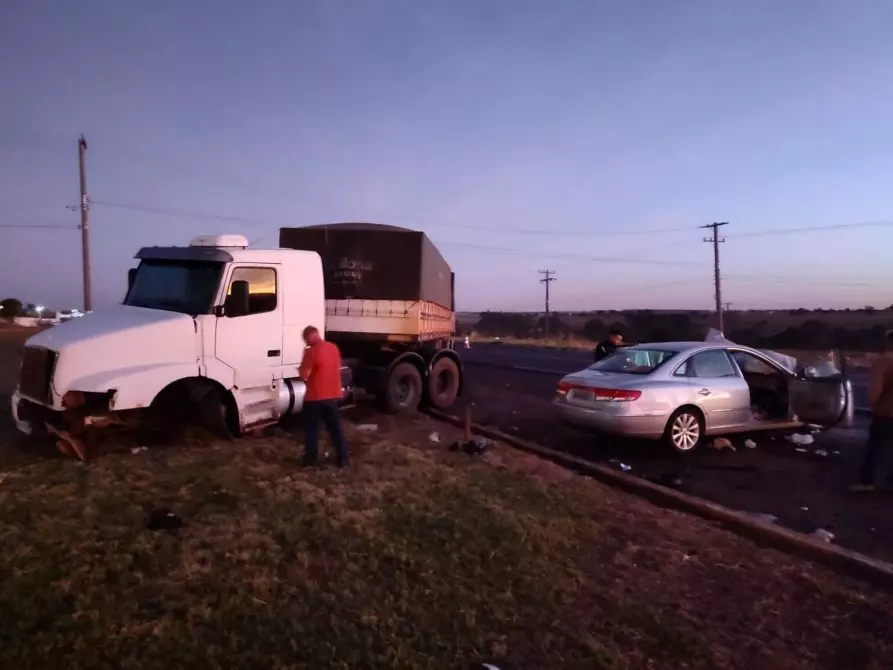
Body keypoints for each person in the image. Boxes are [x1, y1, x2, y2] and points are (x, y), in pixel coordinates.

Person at [298, 325, 349, 468]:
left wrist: (302, 364)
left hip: (315, 398)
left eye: (305, 339)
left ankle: (311, 460)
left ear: (309, 336)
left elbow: (304, 375)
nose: (305, 342)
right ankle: (343, 459)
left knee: (312, 430)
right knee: (335, 429)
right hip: (332, 395)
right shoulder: (333, 348)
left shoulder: (311, 352)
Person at [851, 330, 893, 492]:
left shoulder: (884, 361)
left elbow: (875, 389)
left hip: (886, 413)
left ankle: (867, 482)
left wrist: (874, 405)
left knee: (876, 448)